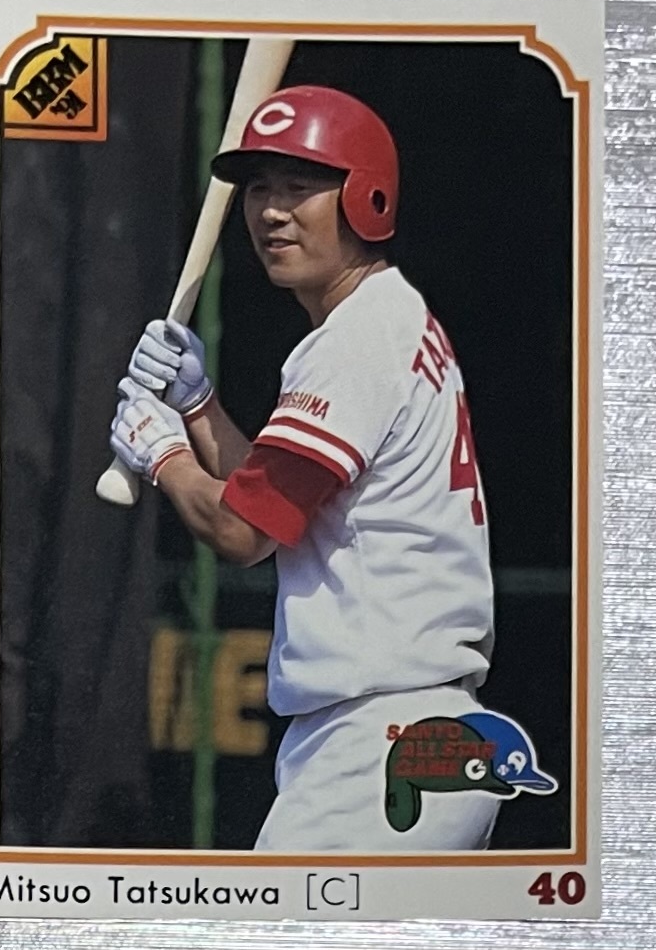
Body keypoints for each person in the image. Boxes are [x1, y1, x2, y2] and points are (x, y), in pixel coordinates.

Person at [109, 85, 501, 851]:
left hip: (383, 739)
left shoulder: (356, 339)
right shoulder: (389, 317)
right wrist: (198, 405)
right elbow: (279, 505)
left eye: (299, 187)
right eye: (259, 188)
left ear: (366, 199)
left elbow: (241, 530)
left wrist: (163, 455)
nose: (271, 212)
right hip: (408, 729)